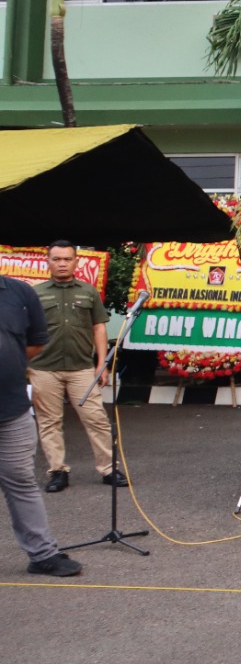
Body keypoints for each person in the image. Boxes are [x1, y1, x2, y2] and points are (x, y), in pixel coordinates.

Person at [0, 273, 81, 577]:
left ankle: (43, 555)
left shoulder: (19, 292)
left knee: (21, 482)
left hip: (12, 410)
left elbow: (35, 343)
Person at [28, 241, 120, 492]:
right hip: (44, 368)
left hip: (81, 368)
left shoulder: (88, 292)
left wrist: (102, 364)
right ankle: (57, 471)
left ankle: (108, 469)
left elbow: (99, 327)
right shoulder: (35, 293)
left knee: (96, 419)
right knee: (49, 422)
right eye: (56, 259)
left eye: (67, 259)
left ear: (76, 262)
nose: (62, 264)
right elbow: (26, 330)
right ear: (48, 262)